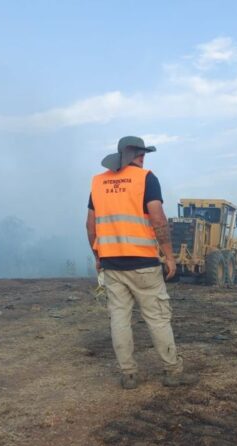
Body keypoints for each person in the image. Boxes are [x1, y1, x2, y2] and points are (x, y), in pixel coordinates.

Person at [86, 136, 190, 389]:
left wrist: (98, 255)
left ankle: (128, 374)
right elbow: (157, 218)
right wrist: (168, 255)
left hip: (112, 264)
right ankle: (172, 371)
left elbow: (90, 225)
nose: (143, 157)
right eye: (139, 153)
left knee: (119, 319)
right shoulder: (146, 179)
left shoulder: (98, 183)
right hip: (143, 263)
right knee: (157, 317)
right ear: (128, 155)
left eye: (144, 153)